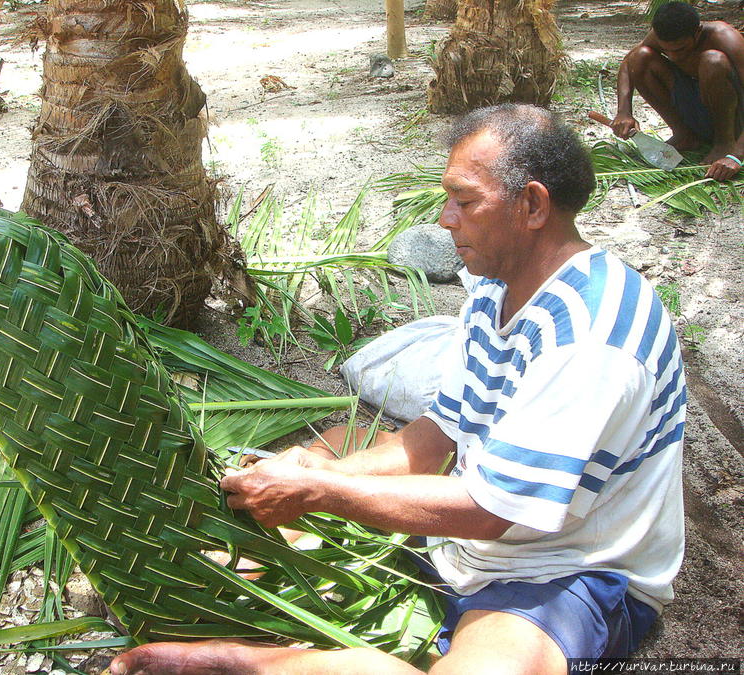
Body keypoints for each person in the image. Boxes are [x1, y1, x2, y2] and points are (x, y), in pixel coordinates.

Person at [109, 104, 686, 675]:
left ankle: (245, 663)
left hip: (563, 567)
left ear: (532, 205)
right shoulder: (500, 284)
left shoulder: (591, 341)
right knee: (338, 444)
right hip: (484, 531)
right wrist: (320, 475)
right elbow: (441, 432)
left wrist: (317, 493)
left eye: (464, 200)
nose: (445, 219)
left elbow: (491, 514)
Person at [612, 1, 744, 181]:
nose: (674, 56)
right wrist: (624, 111)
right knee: (639, 57)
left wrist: (737, 154)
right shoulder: (660, 34)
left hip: (734, 117)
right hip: (699, 109)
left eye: (681, 49)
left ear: (697, 32)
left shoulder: (724, 36)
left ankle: (724, 142)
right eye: (667, 51)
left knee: (712, 61)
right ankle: (685, 135)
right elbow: (628, 65)